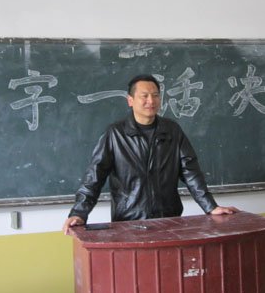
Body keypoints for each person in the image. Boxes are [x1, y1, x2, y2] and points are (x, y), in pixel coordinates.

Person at [63, 74, 238, 234]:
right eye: (144, 96)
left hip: (170, 220)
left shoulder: (172, 131)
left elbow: (191, 172)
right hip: (128, 222)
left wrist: (211, 207)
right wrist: (79, 213)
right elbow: (94, 177)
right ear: (130, 100)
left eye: (155, 95)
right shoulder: (115, 134)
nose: (151, 101)